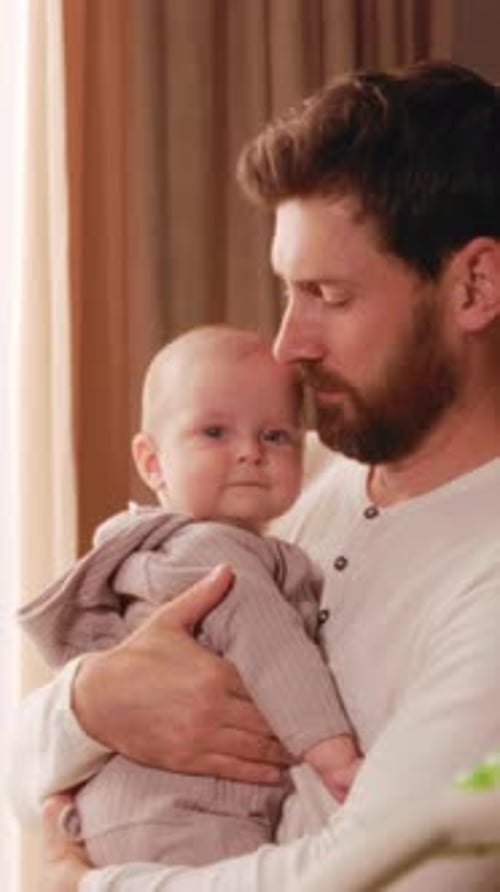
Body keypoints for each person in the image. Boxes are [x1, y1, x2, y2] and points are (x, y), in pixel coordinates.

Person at [13, 58, 500, 892]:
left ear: (475, 285)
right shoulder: (289, 481)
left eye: (328, 295)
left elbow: (378, 881)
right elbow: (22, 766)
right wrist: (91, 702)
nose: (287, 344)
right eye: (286, 290)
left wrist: (79, 885)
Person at [17, 325, 361, 868]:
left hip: (137, 814)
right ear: (152, 463)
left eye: (276, 436)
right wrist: (334, 754)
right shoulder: (211, 551)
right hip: (183, 812)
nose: (250, 452)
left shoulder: (174, 546)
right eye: (215, 432)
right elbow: (272, 649)